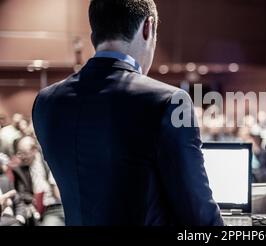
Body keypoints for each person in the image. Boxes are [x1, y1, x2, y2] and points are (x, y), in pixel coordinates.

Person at [32, 0, 222, 226]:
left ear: (94, 35)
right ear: (148, 27)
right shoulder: (169, 100)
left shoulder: (46, 103)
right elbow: (197, 211)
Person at [11, 136, 64, 226]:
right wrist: (35, 200)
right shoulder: (19, 170)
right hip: (47, 209)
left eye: (24, 153)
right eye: (19, 153)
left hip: (60, 203)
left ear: (34, 150)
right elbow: (21, 193)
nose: (21, 157)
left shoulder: (48, 160)